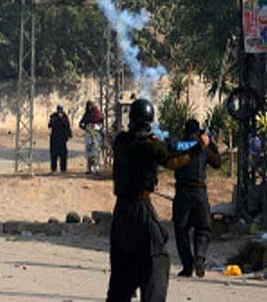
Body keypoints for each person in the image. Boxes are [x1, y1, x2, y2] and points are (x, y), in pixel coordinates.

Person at [106, 99, 209, 302]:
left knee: (122, 263)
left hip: (120, 213)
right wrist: (199, 146)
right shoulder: (149, 145)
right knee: (157, 258)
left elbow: (135, 142)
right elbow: (174, 161)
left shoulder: (120, 142)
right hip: (141, 208)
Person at [171, 119, 221, 278]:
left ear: (184, 131)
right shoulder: (203, 147)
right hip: (199, 192)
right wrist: (209, 142)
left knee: (181, 229)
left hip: (181, 192)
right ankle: (199, 259)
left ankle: (187, 266)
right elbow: (218, 163)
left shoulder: (178, 145)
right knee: (203, 228)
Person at [79, 100, 104, 175]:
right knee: (88, 152)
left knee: (96, 153)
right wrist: (85, 127)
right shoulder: (87, 114)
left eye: (90, 105)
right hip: (88, 135)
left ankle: (97, 169)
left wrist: (95, 127)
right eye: (88, 105)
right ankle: (90, 169)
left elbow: (101, 124)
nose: (89, 107)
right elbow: (81, 123)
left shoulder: (97, 113)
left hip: (96, 135)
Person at [48, 104, 72, 173]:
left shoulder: (65, 117)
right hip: (55, 138)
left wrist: (68, 135)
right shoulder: (53, 116)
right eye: (59, 109)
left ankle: (63, 169)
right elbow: (49, 125)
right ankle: (53, 169)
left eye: (61, 110)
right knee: (54, 155)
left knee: (63, 155)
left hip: (62, 139)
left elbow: (67, 126)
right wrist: (55, 119)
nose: (60, 111)